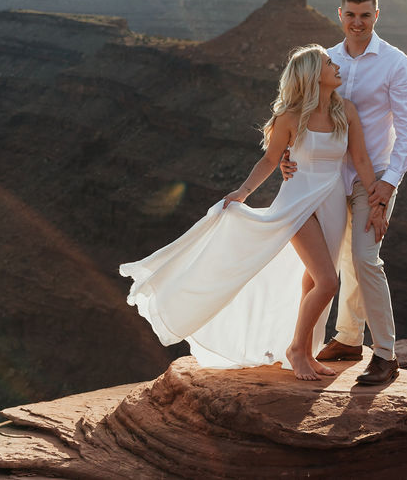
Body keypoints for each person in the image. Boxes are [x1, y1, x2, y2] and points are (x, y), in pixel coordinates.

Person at [119, 44, 378, 381]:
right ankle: (297, 350)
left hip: (332, 205)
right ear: (314, 75)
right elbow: (271, 159)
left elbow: (361, 160)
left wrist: (378, 203)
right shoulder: (290, 117)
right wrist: (243, 192)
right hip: (297, 205)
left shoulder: (346, 111)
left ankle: (307, 350)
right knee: (328, 282)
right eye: (329, 63)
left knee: (314, 280)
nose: (336, 66)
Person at [285, 0, 407, 386]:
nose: (357, 22)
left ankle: (385, 354)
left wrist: (388, 186)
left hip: (371, 177)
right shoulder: (325, 60)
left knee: (363, 259)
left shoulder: (397, 65)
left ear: (376, 15)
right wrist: (289, 157)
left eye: (365, 15)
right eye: (350, 15)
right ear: (339, 15)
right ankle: (342, 340)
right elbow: (300, 112)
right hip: (324, 180)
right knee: (326, 265)